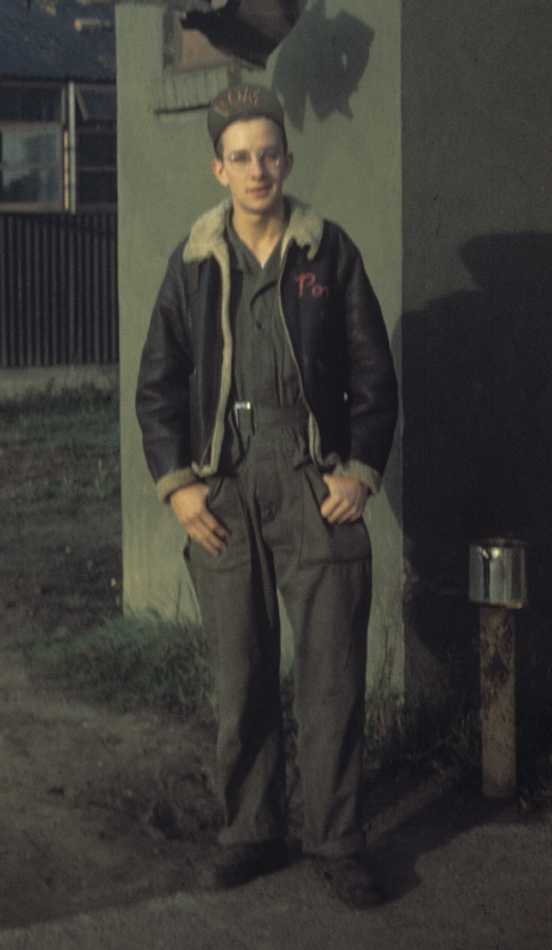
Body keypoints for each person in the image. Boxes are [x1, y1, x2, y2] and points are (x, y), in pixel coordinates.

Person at [136, 84, 398, 907]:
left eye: (269, 154)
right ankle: (251, 829)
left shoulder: (328, 252)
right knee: (241, 672)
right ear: (218, 167)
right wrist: (179, 488)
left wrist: (357, 472)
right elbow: (157, 386)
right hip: (224, 484)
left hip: (308, 476)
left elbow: (371, 374)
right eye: (240, 157)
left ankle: (336, 838)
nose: (257, 170)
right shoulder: (190, 263)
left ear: (288, 159)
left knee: (329, 676)